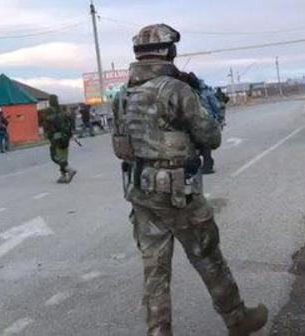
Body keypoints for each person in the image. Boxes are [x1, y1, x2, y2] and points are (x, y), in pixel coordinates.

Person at [111, 23, 268, 336]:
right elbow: (211, 137)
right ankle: (237, 319)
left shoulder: (122, 96)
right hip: (177, 193)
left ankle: (158, 330)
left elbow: (122, 147)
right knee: (206, 253)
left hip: (139, 191)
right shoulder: (177, 90)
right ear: (170, 52)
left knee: (154, 265)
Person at [42, 94, 77, 183]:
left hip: (56, 136)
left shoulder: (48, 111)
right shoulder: (62, 110)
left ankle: (68, 169)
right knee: (63, 156)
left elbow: (46, 123)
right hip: (66, 136)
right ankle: (63, 176)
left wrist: (46, 133)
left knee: (55, 156)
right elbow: (71, 120)